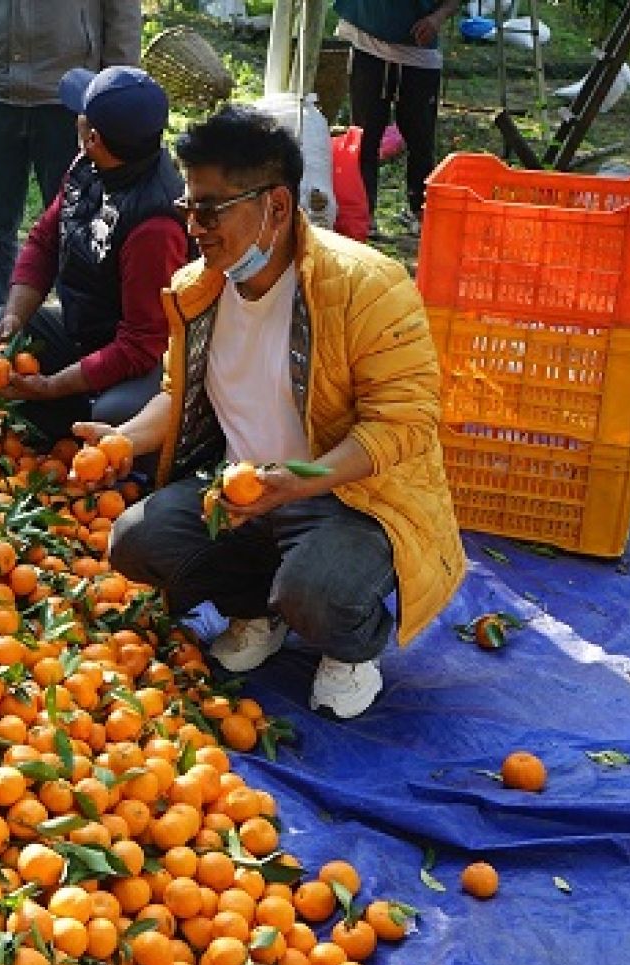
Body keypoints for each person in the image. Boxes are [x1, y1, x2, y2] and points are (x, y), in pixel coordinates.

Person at [75, 107, 466, 719]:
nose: (195, 226)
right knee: (136, 540)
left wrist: (300, 482)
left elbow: (404, 422)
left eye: (211, 209)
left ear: (276, 207)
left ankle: (351, 647)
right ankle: (257, 611)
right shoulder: (198, 288)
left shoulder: (365, 287)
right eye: (189, 207)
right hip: (243, 493)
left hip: (352, 500)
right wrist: (122, 440)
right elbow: (179, 395)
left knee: (321, 591)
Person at [0, 66, 190, 448]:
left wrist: (53, 386)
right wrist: (15, 315)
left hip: (148, 358)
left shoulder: (155, 224)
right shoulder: (88, 167)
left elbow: (141, 344)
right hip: (85, 327)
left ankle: (86, 426)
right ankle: (64, 421)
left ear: (93, 136)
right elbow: (45, 241)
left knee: (115, 413)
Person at [0, 0, 142, 310]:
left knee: (75, 225)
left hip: (68, 96)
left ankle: (77, 327)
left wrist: (113, 96)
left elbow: (122, 15)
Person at [333, 0, 455, 232]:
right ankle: (363, 212)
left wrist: (437, 19)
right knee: (364, 136)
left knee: (420, 138)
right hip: (366, 43)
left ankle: (420, 210)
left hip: (418, 53)